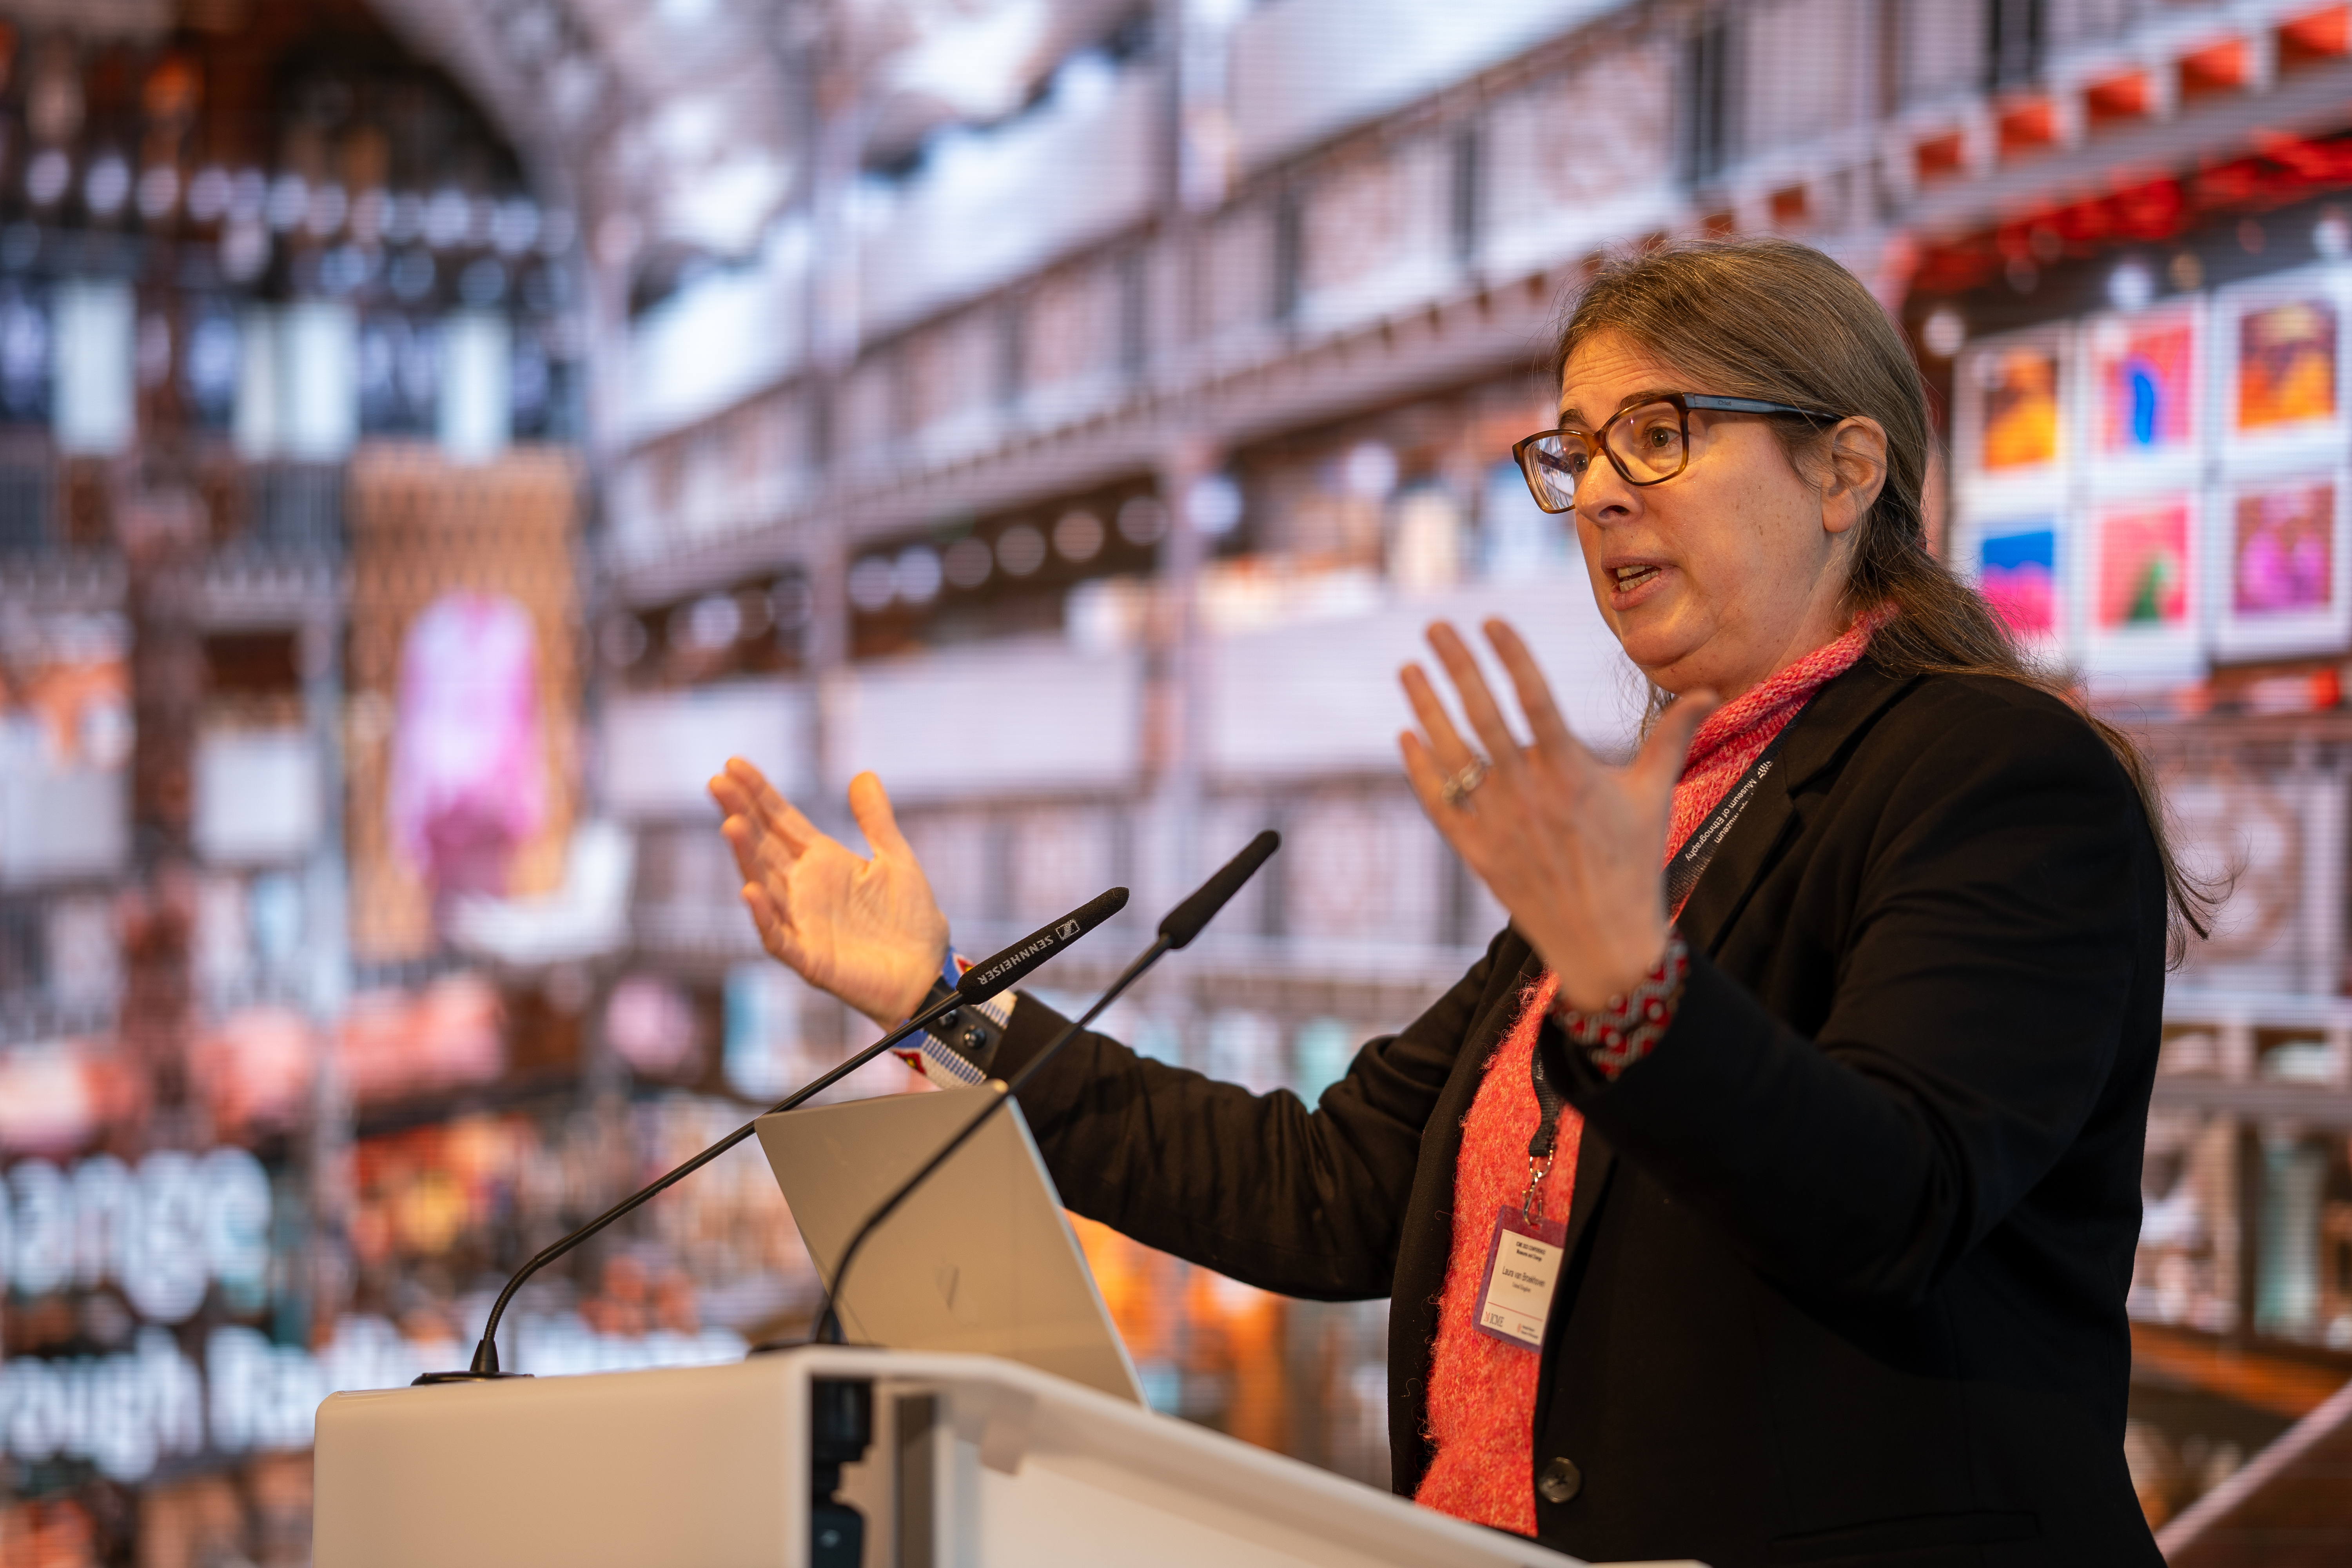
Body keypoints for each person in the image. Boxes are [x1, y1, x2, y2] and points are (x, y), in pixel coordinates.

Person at [709, 237, 2201, 1567]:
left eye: (1663, 436)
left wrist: (1637, 1000)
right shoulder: (1661, 821)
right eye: (1575, 452)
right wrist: (943, 1001)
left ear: (1845, 470)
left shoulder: (1993, 772)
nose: (1601, 490)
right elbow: (1324, 1189)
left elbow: (1896, 1203)